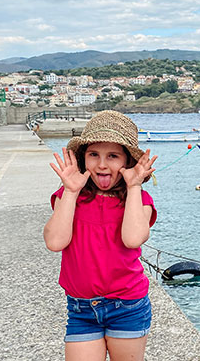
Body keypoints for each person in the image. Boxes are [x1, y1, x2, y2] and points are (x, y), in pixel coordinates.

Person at [44, 110, 158, 361]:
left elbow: (133, 238)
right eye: (94, 154)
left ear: (127, 162)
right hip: (81, 308)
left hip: (127, 306)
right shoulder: (70, 196)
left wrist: (135, 186)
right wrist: (71, 191)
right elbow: (54, 241)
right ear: (83, 159)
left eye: (113, 156)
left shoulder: (138, 199)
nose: (103, 164)